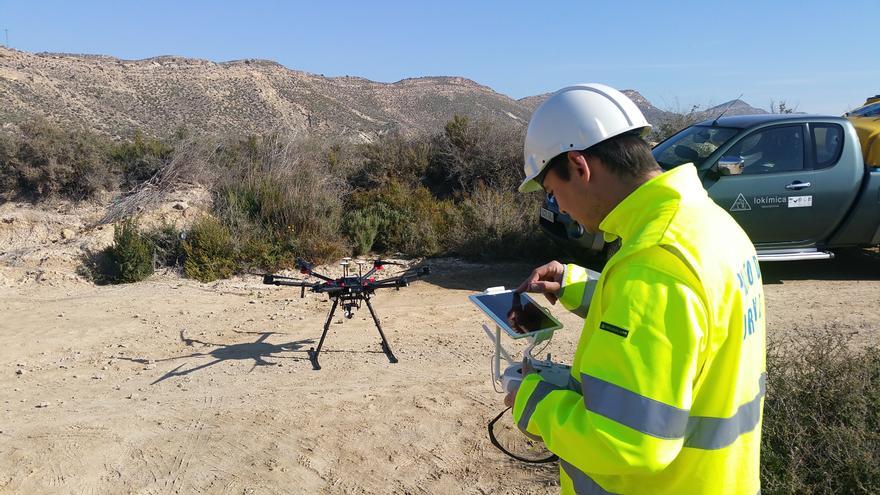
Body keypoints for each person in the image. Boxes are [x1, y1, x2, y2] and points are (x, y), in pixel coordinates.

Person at [506, 84, 766, 494]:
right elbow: (681, 327)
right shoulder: (705, 225)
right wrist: (580, 287)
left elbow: (625, 444)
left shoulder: (654, 263)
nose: (562, 209)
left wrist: (532, 400)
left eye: (554, 194)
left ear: (579, 165)